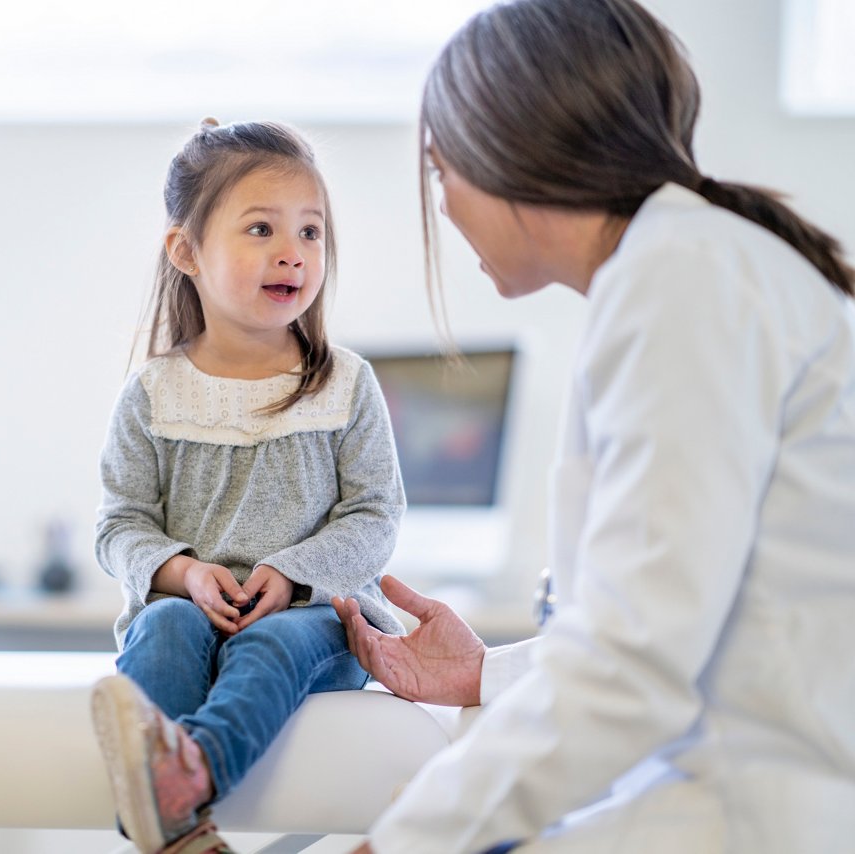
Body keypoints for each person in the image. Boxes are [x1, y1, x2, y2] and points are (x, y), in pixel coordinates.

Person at [331, 1, 855, 852]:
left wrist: (402, 843)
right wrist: (488, 674)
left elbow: (632, 666)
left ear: (511, 146)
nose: (446, 206)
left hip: (756, 814)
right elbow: (684, 623)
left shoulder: (680, 283)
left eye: (440, 171)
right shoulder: (688, 267)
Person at [90, 119, 407, 854]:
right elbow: (120, 526)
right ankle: (178, 831)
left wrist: (289, 574)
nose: (293, 252)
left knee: (268, 644)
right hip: (193, 620)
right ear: (186, 251)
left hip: (316, 623)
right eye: (262, 228)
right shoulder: (151, 395)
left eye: (311, 232)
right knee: (164, 625)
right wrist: (184, 573)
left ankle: (187, 783)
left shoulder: (346, 385)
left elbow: (375, 516)